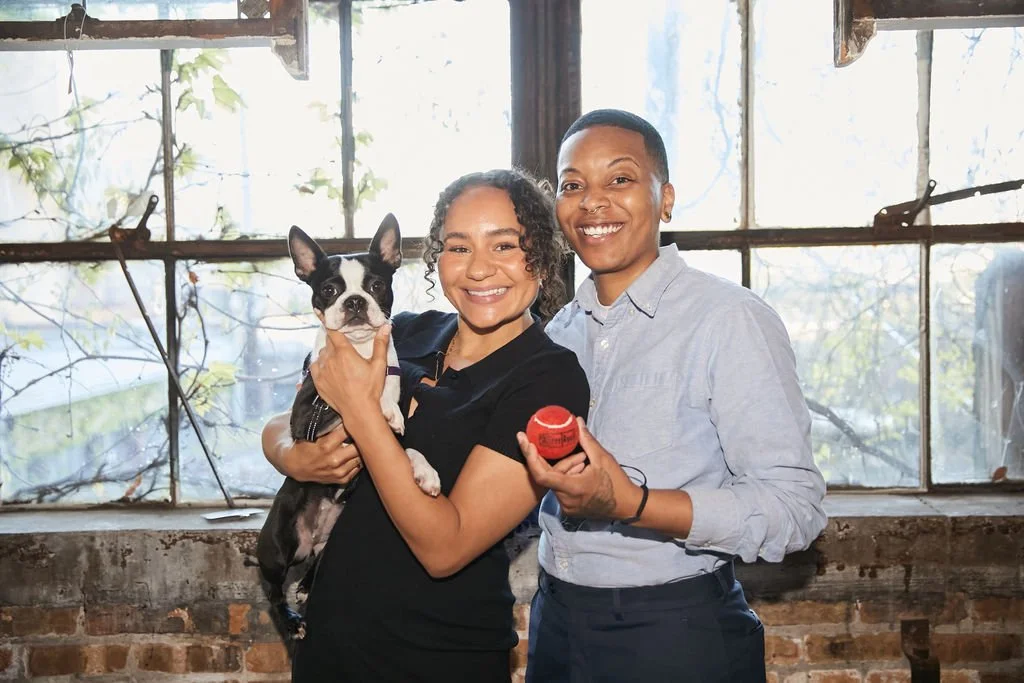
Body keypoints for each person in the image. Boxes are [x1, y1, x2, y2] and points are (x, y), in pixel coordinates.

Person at [516, 109, 828, 683]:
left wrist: (632, 503)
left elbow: (794, 509)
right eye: (572, 185)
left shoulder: (728, 319)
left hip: (675, 631)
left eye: (620, 179)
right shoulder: (556, 334)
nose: (592, 201)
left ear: (665, 199)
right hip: (556, 620)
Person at [261, 168, 590, 682]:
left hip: (438, 654)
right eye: (458, 247)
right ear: (436, 257)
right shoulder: (404, 331)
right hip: (329, 646)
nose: (479, 268)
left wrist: (361, 413)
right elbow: (288, 420)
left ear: (544, 257)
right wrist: (294, 456)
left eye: (504, 245)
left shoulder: (549, 378)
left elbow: (445, 549)